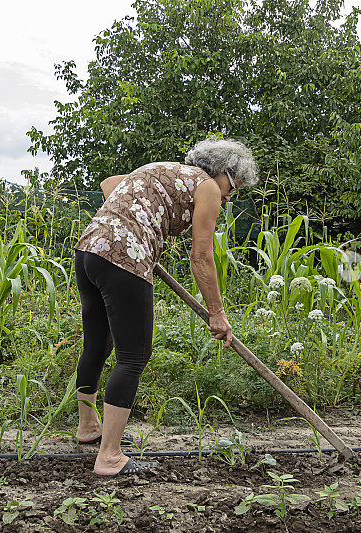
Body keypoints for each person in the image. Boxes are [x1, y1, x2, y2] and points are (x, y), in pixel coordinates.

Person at [73, 137, 259, 476]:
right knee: (134, 356)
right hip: (123, 259)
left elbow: (110, 185)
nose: (230, 195)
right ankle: (110, 457)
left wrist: (131, 221)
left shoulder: (162, 170)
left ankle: (88, 427)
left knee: (97, 344)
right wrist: (217, 314)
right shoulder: (206, 187)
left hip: (89, 250)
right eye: (233, 185)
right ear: (221, 172)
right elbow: (201, 257)